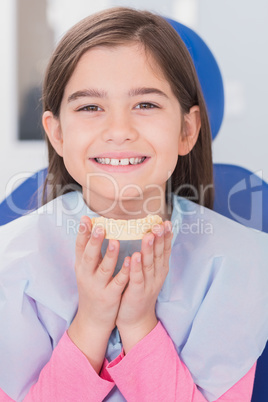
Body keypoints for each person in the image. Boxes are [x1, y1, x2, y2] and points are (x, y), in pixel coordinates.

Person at [0, 6, 268, 402]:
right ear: (56, 134)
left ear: (187, 129)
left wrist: (139, 323)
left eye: (146, 105)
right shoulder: (11, 261)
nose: (119, 130)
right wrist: (91, 322)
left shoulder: (243, 264)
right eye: (90, 107)